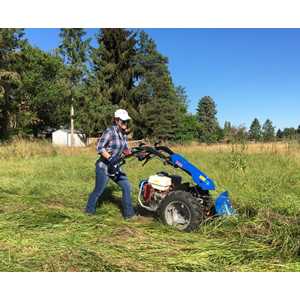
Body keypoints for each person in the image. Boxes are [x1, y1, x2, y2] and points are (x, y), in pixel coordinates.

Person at [85, 109, 136, 219]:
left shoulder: (123, 135)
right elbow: (99, 147)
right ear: (117, 120)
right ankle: (89, 212)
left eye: (127, 121)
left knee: (127, 186)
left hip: (115, 167)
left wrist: (138, 153)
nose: (125, 123)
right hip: (104, 167)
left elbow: (126, 150)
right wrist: (110, 158)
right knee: (98, 191)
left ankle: (129, 215)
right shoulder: (110, 131)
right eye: (123, 121)